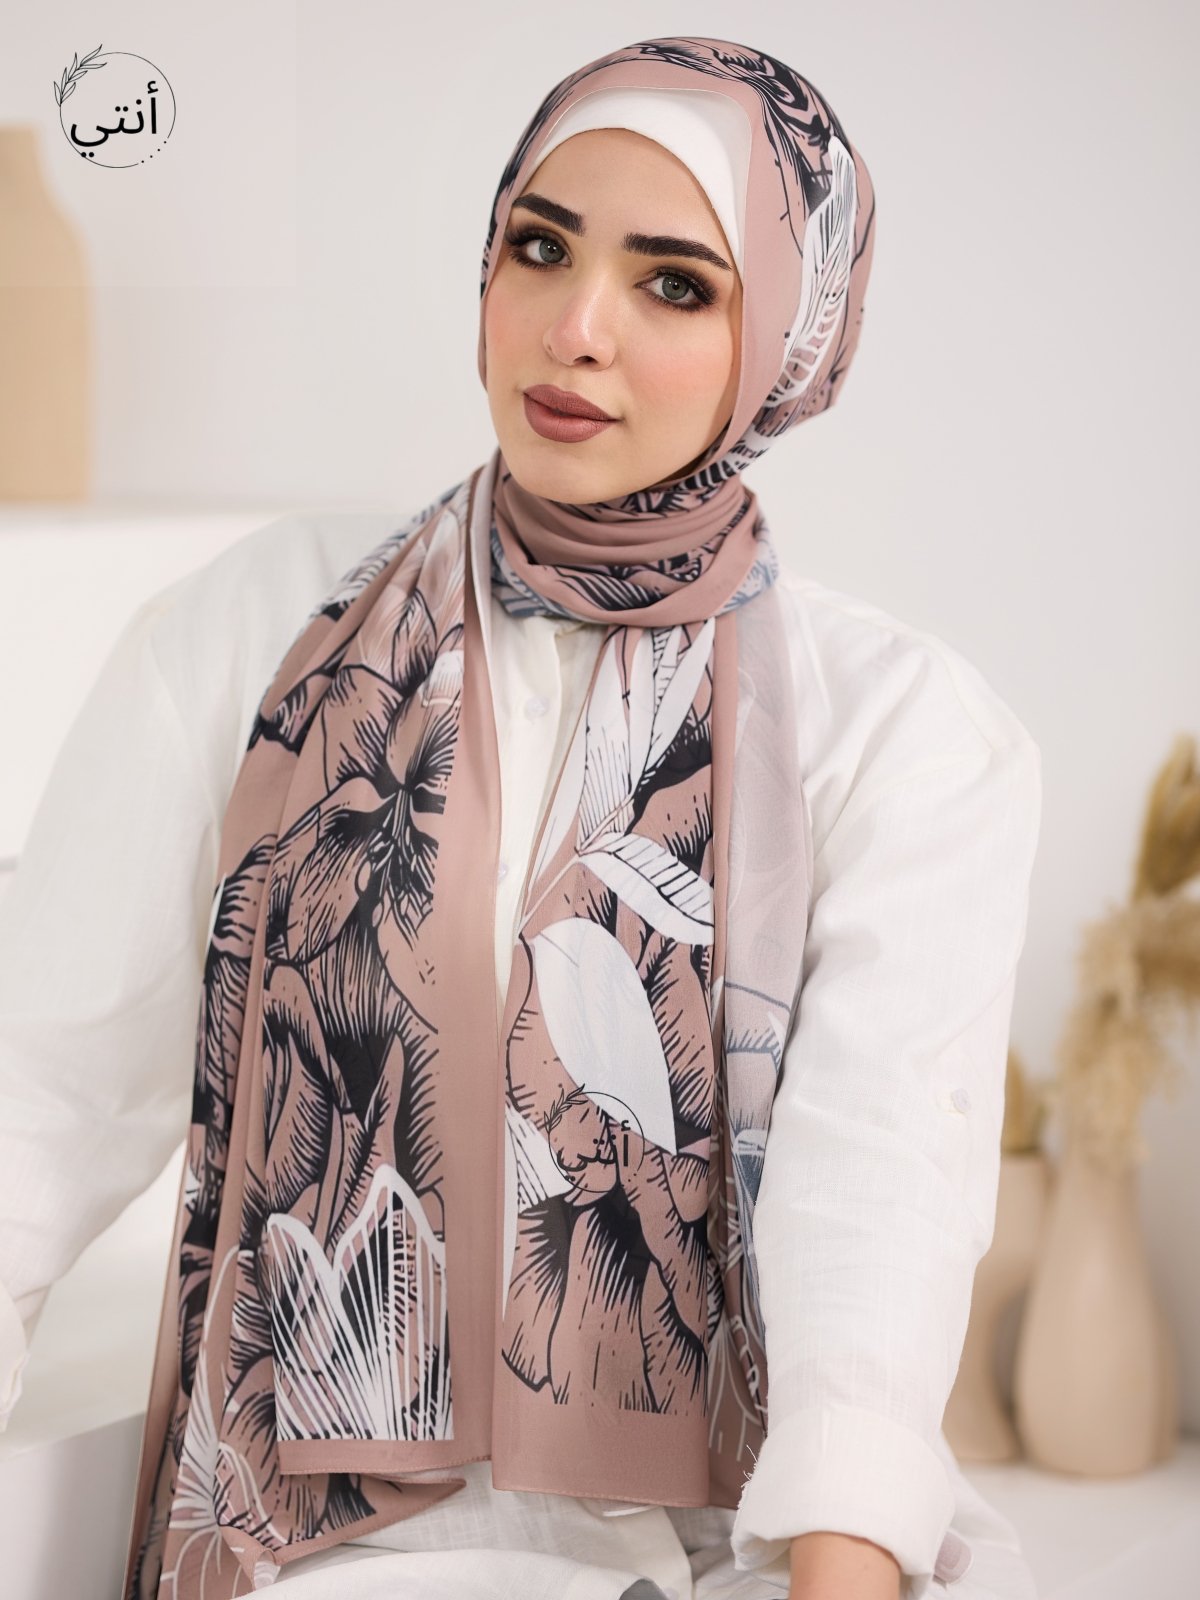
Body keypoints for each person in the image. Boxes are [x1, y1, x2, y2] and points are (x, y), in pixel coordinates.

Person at [0, 35, 1043, 1600]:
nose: (577, 328)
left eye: (674, 284)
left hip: (721, 1554)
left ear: (790, 337)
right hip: (295, 1551)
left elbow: (879, 1199)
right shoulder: (258, 631)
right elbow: (37, 1092)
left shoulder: (904, 732)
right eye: (541, 249)